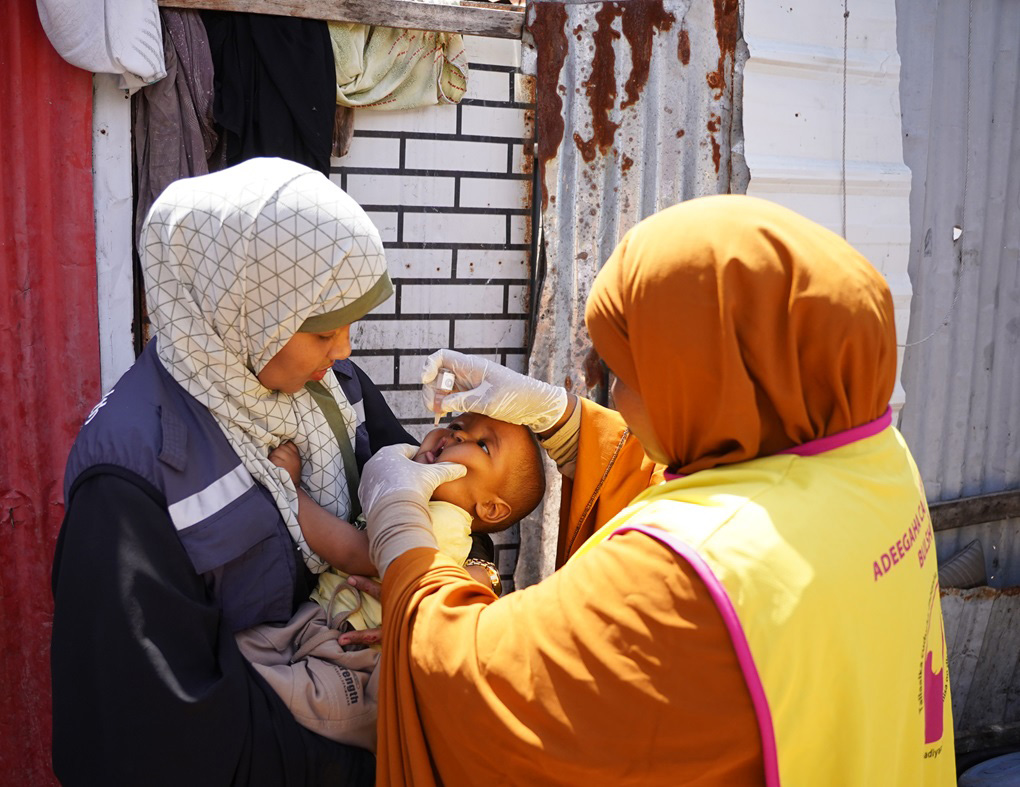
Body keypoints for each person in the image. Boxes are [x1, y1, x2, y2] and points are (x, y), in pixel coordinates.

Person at [358, 195, 957, 785]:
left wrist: (403, 529)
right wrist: (563, 420)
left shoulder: (687, 576)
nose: (612, 397)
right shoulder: (874, 458)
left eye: (623, 373)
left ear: (705, 383)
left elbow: (466, 680)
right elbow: (721, 483)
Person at [52, 157, 427, 785]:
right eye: (324, 330)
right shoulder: (130, 479)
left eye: (348, 326)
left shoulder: (335, 390)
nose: (345, 350)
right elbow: (154, 733)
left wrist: (441, 579)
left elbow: (435, 502)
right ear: (243, 308)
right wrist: (364, 759)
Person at [234, 413, 546, 751]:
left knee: (276, 698)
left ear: (490, 507)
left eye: (483, 445)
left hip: (359, 659)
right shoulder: (417, 494)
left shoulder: (442, 520)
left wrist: (293, 491)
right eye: (458, 426)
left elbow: (356, 553)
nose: (457, 436)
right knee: (241, 651)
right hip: (320, 623)